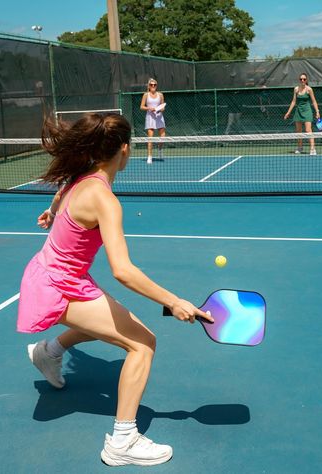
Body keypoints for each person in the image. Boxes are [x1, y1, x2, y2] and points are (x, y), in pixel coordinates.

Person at [17, 113, 213, 467]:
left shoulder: (80, 178)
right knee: (142, 343)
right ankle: (122, 441)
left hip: (54, 276)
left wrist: (50, 213)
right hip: (58, 286)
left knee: (112, 320)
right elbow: (122, 270)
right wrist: (175, 302)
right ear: (124, 150)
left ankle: (48, 352)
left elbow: (61, 196)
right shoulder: (105, 199)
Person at [284, 73, 320, 155]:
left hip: (307, 111)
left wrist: (317, 111)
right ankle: (300, 147)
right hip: (298, 111)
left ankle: (312, 149)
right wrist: (288, 112)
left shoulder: (309, 89)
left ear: (306, 80)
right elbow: (293, 101)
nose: (302, 80)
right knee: (298, 131)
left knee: (308, 130)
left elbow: (314, 101)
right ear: (299, 80)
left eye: (304, 79)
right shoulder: (296, 89)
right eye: (301, 79)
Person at [140, 78, 165, 164]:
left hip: (159, 117)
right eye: (151, 85)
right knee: (150, 138)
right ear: (149, 86)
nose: (153, 86)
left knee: (163, 137)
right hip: (150, 117)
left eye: (154, 85)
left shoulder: (160, 95)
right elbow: (142, 106)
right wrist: (149, 108)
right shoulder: (146, 95)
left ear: (156, 86)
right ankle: (149, 157)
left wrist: (158, 110)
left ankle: (160, 150)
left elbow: (163, 107)